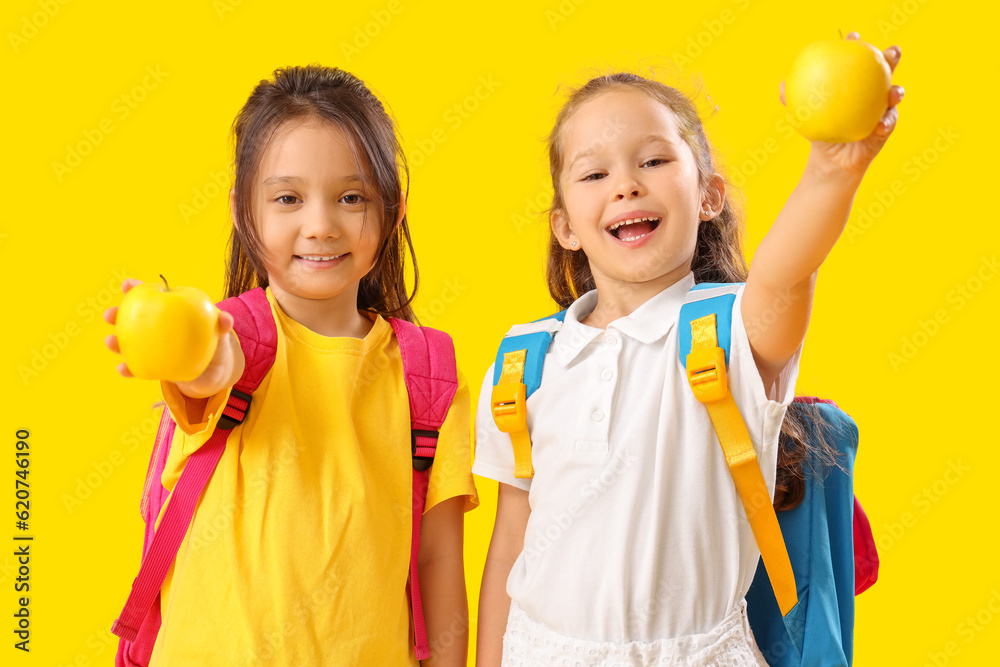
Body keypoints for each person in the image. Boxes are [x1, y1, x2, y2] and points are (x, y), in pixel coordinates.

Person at [474, 34, 903, 666]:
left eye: (652, 163)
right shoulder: (523, 365)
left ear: (707, 196)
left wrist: (831, 171)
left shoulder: (733, 333)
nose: (625, 186)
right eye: (595, 173)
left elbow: (786, 273)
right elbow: (510, 542)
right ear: (565, 225)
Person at [104, 64, 478, 666]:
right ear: (240, 211)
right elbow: (208, 372)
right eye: (287, 198)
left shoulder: (427, 375)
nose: (321, 225)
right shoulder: (228, 339)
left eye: (350, 197)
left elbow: (439, 562)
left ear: (394, 210)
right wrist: (187, 349)